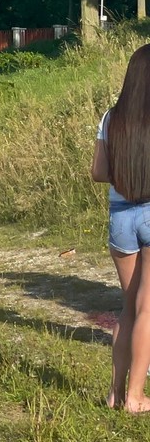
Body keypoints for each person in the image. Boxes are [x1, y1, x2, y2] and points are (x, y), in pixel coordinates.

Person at [91, 44, 150, 413]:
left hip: (120, 215)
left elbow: (98, 173)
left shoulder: (112, 118)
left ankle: (115, 392)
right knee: (149, 308)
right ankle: (136, 397)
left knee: (128, 309)